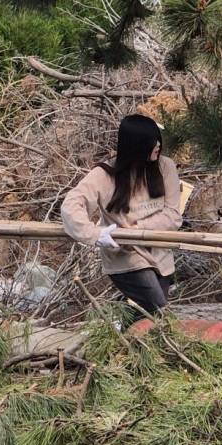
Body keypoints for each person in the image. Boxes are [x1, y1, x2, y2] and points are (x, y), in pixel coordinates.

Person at [61, 114, 181, 315]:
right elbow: (71, 205)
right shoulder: (105, 173)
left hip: (160, 255)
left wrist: (137, 229)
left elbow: (173, 215)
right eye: (151, 141)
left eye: (158, 139)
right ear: (135, 145)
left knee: (144, 319)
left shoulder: (165, 167)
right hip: (126, 256)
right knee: (161, 313)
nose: (158, 145)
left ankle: (119, 334)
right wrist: (95, 234)